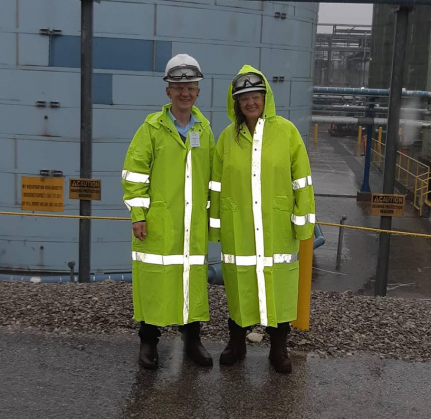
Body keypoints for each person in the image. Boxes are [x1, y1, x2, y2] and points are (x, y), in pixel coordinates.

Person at [209, 65, 315, 374]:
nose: (250, 103)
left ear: (265, 98)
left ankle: (279, 348)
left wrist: (303, 222)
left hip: (277, 229)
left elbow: (302, 180)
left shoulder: (287, 132)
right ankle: (236, 343)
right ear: (236, 103)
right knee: (240, 287)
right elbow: (216, 184)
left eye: (255, 96)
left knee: (278, 289)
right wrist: (216, 224)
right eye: (244, 98)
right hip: (238, 227)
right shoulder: (228, 138)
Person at [122, 54, 215, 370]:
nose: (184, 93)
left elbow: (212, 178)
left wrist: (211, 219)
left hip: (193, 225)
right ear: (168, 92)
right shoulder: (151, 129)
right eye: (178, 87)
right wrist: (138, 214)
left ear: (198, 91)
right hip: (159, 224)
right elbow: (134, 174)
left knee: (190, 281)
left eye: (190, 86)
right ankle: (148, 342)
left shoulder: (205, 129)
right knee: (155, 282)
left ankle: (192, 340)